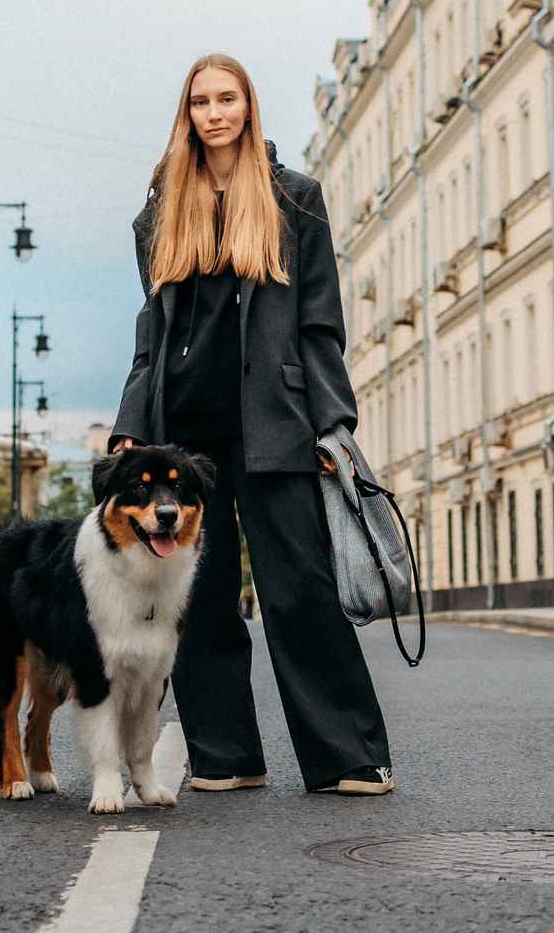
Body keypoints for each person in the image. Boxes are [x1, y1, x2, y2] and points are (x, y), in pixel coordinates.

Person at [108, 54, 394, 796]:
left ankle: (349, 756)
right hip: (183, 432)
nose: (214, 112)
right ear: (188, 114)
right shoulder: (160, 211)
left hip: (276, 419)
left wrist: (332, 424)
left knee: (299, 588)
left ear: (247, 106)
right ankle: (225, 753)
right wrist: (131, 424)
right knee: (198, 599)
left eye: (227, 98)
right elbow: (151, 331)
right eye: (201, 101)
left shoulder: (293, 198)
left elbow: (319, 323)